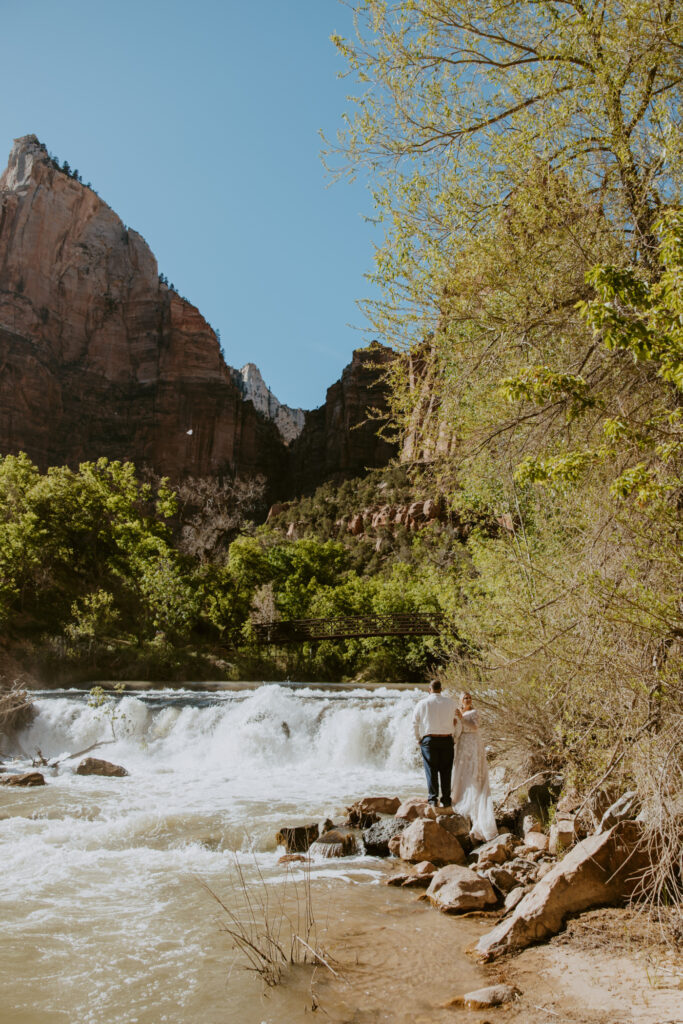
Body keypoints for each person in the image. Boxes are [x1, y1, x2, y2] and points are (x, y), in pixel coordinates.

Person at [451, 692, 497, 841]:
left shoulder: (474, 712)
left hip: (473, 744)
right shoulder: (458, 713)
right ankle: (460, 800)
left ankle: (474, 808)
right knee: (461, 773)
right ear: (460, 701)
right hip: (462, 744)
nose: (468, 699)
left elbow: (475, 727)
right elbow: (457, 730)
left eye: (469, 697)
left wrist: (462, 718)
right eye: (465, 698)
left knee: (473, 773)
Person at [412, 679, 458, 808]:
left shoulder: (422, 703)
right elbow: (458, 720)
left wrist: (418, 739)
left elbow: (414, 723)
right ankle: (446, 800)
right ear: (441, 689)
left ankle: (433, 799)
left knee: (431, 770)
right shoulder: (451, 703)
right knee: (446, 771)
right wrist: (455, 736)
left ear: (429, 689)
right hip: (447, 739)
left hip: (429, 739)